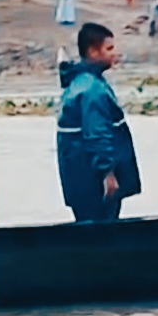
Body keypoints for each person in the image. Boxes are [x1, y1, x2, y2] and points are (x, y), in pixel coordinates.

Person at [57, 23, 141, 222]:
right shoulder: (92, 91)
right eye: (109, 49)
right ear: (93, 51)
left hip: (78, 178)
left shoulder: (79, 83)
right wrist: (107, 174)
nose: (115, 53)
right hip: (93, 182)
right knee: (101, 230)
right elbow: (97, 134)